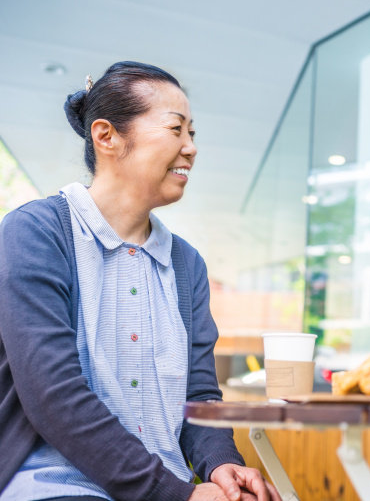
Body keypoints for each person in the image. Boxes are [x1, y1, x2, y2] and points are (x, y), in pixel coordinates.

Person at [0, 62, 280, 501]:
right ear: (106, 136)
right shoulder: (36, 233)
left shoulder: (187, 264)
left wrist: (222, 465)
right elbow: (53, 396)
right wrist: (177, 495)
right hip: (56, 487)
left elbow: (199, 395)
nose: (191, 147)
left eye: (193, 133)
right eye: (176, 129)